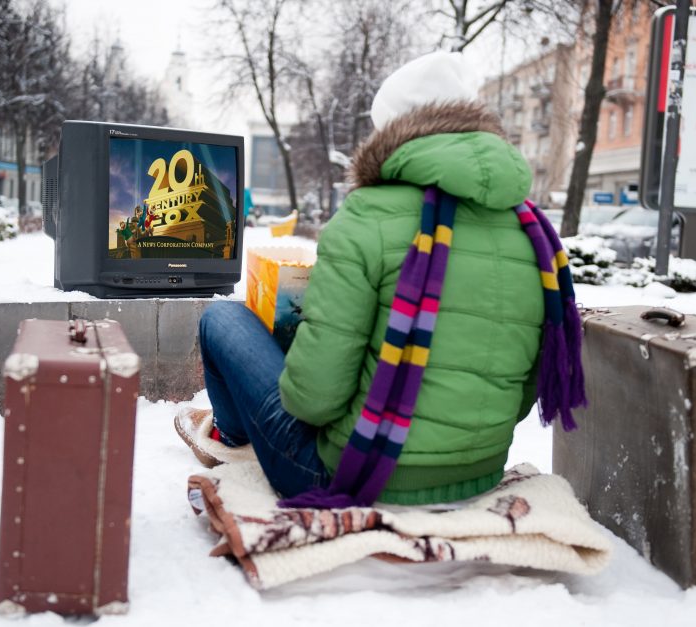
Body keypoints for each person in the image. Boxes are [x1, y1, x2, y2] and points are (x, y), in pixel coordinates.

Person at [176, 51, 578, 506]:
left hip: (350, 472)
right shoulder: (532, 229)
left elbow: (312, 401)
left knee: (223, 319)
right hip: (477, 472)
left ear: (393, 131)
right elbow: (522, 392)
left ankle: (230, 439)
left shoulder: (368, 216)